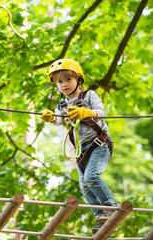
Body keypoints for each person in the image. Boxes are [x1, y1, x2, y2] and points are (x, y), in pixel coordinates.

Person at [40, 59, 117, 234]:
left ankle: (111, 207)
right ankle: (100, 216)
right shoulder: (62, 105)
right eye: (59, 82)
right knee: (84, 186)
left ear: (79, 82)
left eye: (68, 80)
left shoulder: (89, 96)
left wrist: (87, 112)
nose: (64, 84)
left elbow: (102, 112)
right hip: (81, 151)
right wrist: (50, 117)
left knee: (91, 177)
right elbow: (58, 120)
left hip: (99, 144)